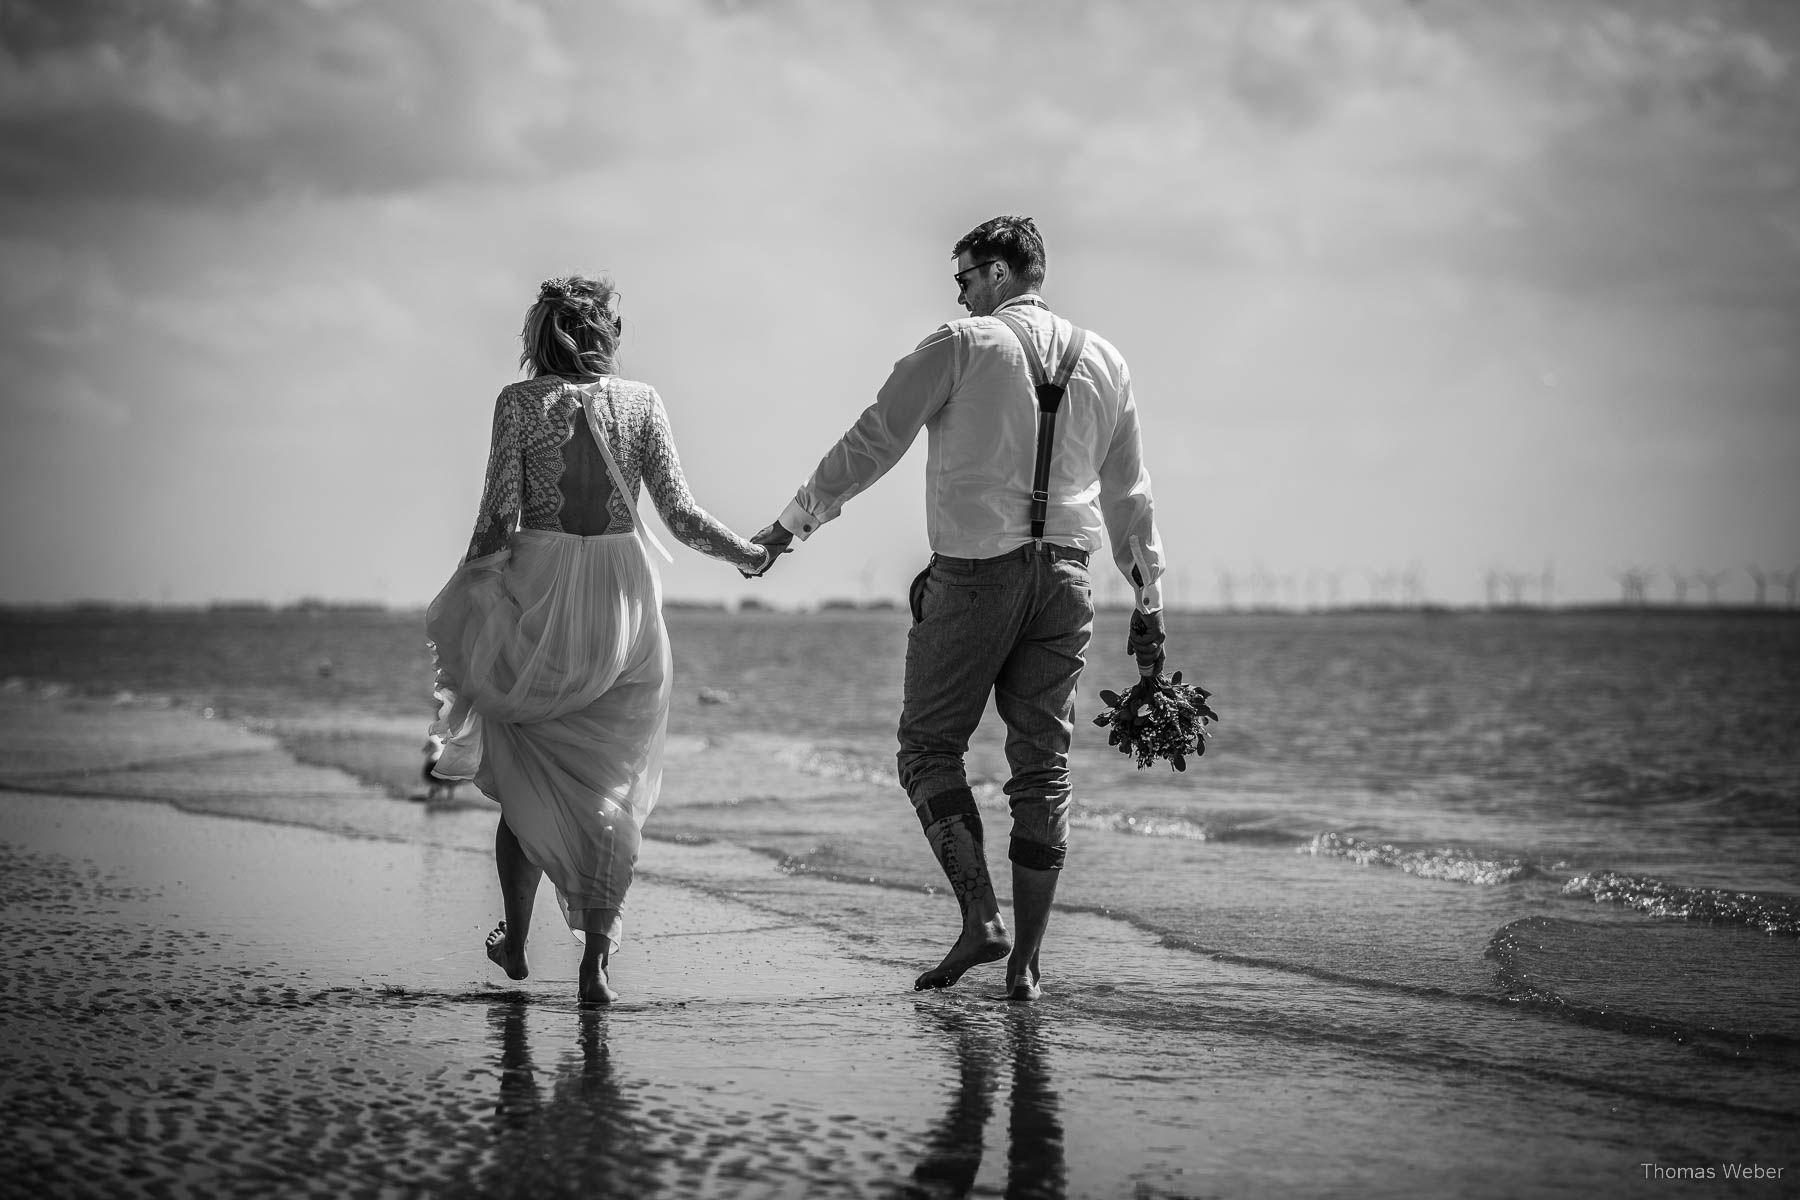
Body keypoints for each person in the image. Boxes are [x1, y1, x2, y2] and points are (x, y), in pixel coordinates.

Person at [752, 216, 1169, 1001]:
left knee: (927, 748)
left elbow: (876, 436)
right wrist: (1149, 598)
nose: (962, 293)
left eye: (967, 277)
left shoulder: (960, 343)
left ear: (1003, 273)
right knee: (1042, 769)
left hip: (975, 573)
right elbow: (1131, 493)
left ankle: (982, 918)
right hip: (1068, 580)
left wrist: (792, 524)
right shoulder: (1108, 361)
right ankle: (1028, 969)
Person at [427, 274, 770, 1004]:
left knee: (523, 783)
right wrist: (748, 553)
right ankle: (596, 967)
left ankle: (516, 944)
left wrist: (463, 603)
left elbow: (494, 520)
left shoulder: (518, 405)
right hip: (621, 609)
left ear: (541, 333)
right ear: (604, 332)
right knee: (613, 791)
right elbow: (680, 515)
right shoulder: (641, 403)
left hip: (539, 598)